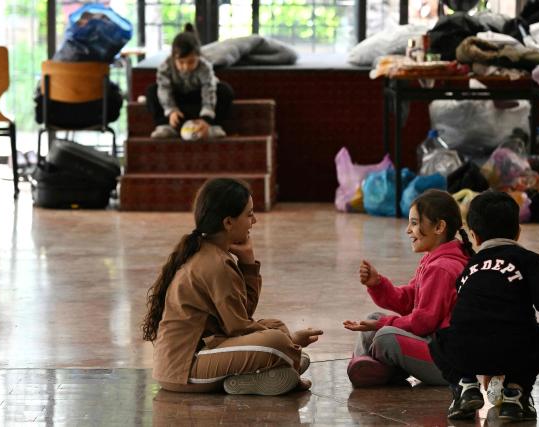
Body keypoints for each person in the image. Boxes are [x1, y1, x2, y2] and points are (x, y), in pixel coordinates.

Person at [142, 177, 323, 395]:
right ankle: (281, 365)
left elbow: (243, 313)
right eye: (249, 214)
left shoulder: (211, 253)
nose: (254, 220)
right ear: (228, 222)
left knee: (275, 326)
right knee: (276, 340)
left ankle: (260, 375)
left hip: (201, 356)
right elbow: (238, 327)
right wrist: (291, 342)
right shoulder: (215, 263)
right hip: (186, 369)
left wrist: (248, 264)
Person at [430, 191, 539, 421]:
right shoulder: (530, 261)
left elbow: (478, 315)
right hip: (513, 349)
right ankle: (515, 394)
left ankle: (465, 385)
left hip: (466, 352)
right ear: (518, 232)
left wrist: (486, 365)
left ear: (475, 236)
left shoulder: (468, 269)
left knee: (439, 340)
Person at [343, 189, 473, 387]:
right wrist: (377, 284)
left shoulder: (442, 268)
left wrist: (382, 325)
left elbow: (422, 323)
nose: (408, 230)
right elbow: (408, 300)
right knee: (373, 319)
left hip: (446, 364)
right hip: (431, 345)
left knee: (386, 337)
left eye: (414, 223)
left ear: (439, 227)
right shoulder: (433, 259)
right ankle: (368, 368)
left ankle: (376, 370)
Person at [146, 23, 234, 139]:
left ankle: (211, 127)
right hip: (177, 105)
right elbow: (164, 90)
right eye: (181, 62)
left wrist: (206, 118)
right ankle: (166, 127)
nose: (186, 67)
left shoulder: (205, 68)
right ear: (173, 58)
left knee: (225, 90)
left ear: (199, 56)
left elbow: (209, 90)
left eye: (191, 62)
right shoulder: (165, 67)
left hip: (199, 103)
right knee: (152, 91)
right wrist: (171, 110)